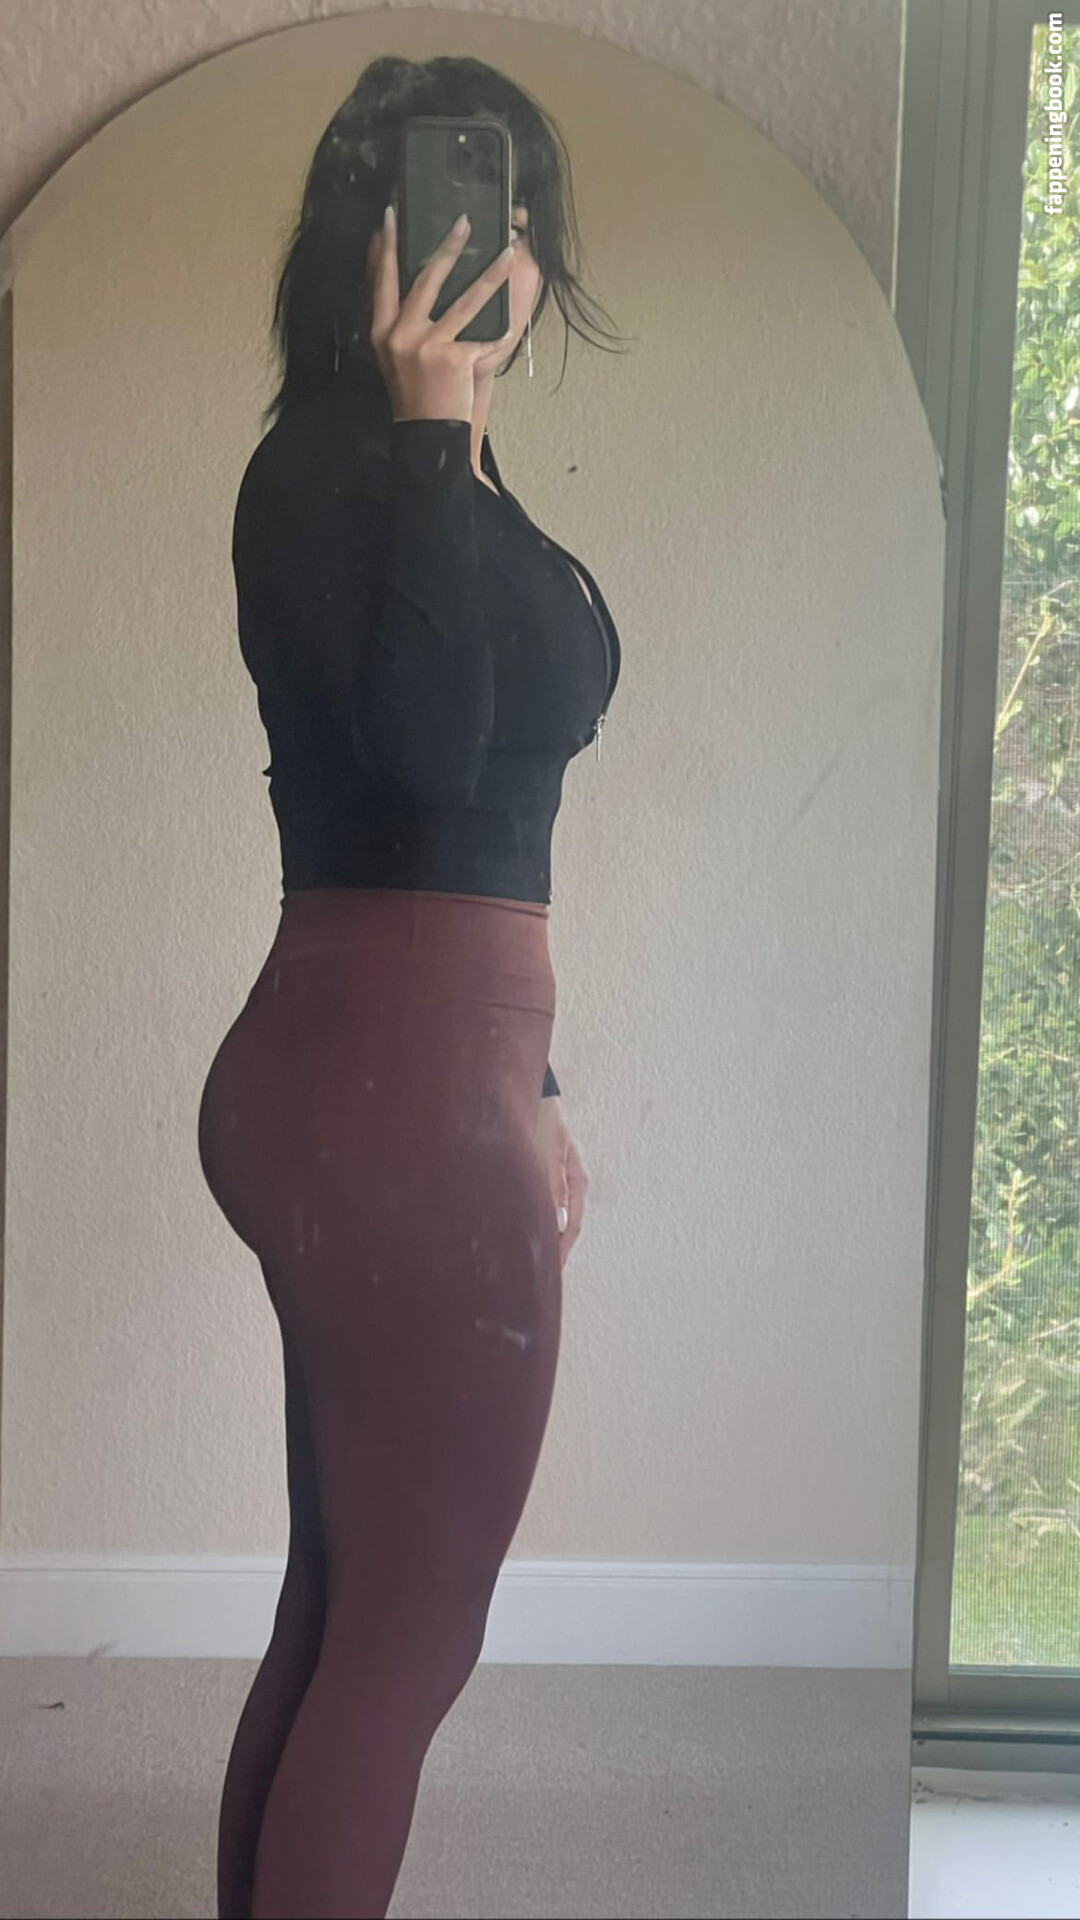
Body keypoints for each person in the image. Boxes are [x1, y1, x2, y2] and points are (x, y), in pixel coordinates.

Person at [197, 53, 625, 1920]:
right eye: (451, 210)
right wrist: (435, 430)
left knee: (348, 1600)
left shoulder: (459, 485)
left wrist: (532, 1094)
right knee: (412, 1634)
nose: (493, 253)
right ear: (360, 250)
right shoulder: (331, 472)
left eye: (515, 216)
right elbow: (433, 759)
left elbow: (495, 824)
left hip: (419, 1076)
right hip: (387, 1080)